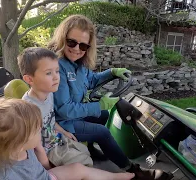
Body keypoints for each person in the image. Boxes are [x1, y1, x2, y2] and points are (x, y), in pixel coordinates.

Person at [48, 14, 173, 180]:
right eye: (72, 42)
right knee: (102, 132)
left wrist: (112, 72)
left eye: (83, 45)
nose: (77, 49)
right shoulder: (58, 67)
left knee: (104, 115)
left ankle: (91, 148)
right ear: (63, 38)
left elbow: (91, 80)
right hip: (59, 123)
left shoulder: (78, 64)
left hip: (70, 116)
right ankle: (133, 170)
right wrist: (99, 104)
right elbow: (64, 110)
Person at [0, 98, 135, 180]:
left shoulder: (23, 148)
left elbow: (42, 164)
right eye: (36, 129)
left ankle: (116, 176)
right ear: (19, 140)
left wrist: (44, 158)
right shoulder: (3, 175)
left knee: (78, 168)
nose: (41, 129)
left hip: (47, 176)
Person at [19, 47, 92, 167]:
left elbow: (50, 120)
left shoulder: (49, 93)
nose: (56, 77)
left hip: (56, 138)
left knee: (85, 151)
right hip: (47, 151)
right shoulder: (29, 109)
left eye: (57, 71)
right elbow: (35, 147)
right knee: (86, 163)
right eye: (48, 73)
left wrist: (64, 132)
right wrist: (48, 170)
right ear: (29, 79)